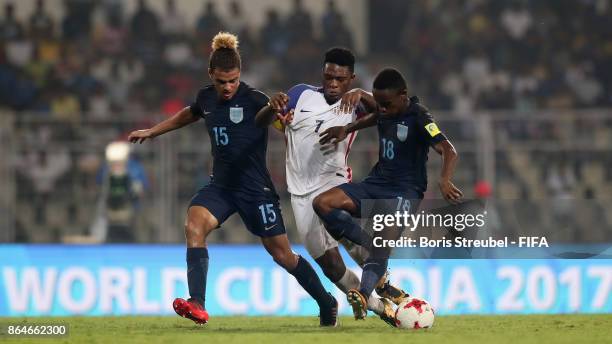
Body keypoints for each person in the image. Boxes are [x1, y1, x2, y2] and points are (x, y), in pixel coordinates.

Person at [128, 32, 338, 326]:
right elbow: (190, 114)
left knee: (283, 255)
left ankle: (327, 302)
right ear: (211, 75)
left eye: (233, 80)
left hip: (256, 190)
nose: (227, 87)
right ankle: (198, 303)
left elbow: (282, 124)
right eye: (221, 81)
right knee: (194, 224)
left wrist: (293, 128)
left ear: (240, 75)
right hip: (222, 187)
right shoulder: (205, 97)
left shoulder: (255, 99)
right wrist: (152, 131)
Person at [255, 49, 408, 326]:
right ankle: (378, 306)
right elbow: (262, 122)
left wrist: (363, 95)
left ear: (351, 78)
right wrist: (271, 107)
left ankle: (381, 277)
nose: (333, 83)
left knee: (339, 223)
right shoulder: (300, 94)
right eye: (328, 77)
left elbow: (391, 114)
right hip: (299, 193)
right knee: (331, 265)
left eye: (340, 78)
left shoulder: (355, 103)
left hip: (333, 183)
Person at [313, 68, 462, 319]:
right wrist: (347, 129)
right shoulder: (386, 107)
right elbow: (375, 117)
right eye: (378, 104)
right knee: (323, 204)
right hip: (375, 183)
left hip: (404, 193)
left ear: (403, 95)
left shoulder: (419, 116)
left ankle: (362, 293)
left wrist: (445, 179)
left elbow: (449, 150)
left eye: (386, 105)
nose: (381, 109)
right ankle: (371, 248)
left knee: (383, 241)